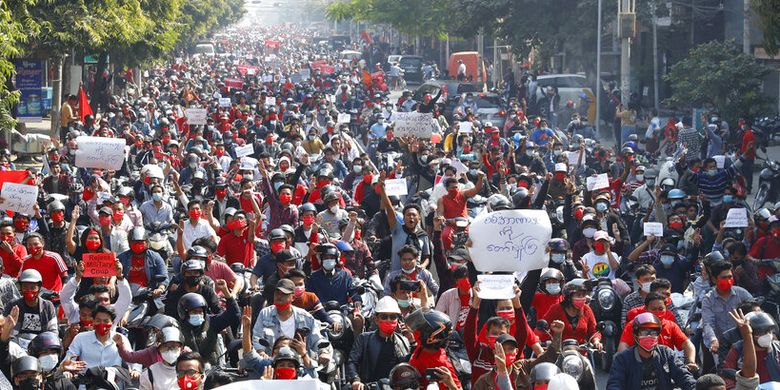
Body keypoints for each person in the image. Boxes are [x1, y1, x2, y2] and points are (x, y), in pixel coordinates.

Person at [607, 313, 697, 389]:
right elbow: (614, 384)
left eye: (653, 332)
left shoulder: (666, 353)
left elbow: (684, 376)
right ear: (635, 335)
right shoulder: (622, 359)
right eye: (645, 332)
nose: (649, 336)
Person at [348, 297, 412, 388]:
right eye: (384, 317)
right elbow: (352, 362)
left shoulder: (404, 341)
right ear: (376, 319)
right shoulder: (364, 339)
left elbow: (410, 366)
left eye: (393, 317)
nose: (389, 320)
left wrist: (413, 342)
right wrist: (355, 380)